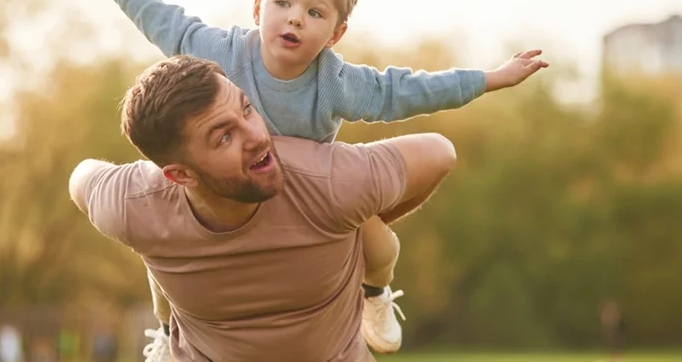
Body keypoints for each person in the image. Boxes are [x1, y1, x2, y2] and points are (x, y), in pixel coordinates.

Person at [46, 0, 548, 356]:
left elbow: (408, 91)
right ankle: (169, 334)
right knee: (162, 265)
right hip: (227, 191)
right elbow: (163, 20)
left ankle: (373, 295)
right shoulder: (218, 52)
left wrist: (489, 79)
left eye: (315, 13)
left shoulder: (338, 84)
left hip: (306, 198)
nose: (295, 20)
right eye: (284, 4)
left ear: (335, 33)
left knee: (382, 247)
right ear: (259, 7)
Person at [69, 55, 466, 361]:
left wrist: (355, 226)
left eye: (246, 109)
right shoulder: (134, 204)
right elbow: (81, 179)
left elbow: (439, 153)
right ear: (179, 175)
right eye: (224, 137)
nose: (258, 136)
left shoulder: (326, 182)